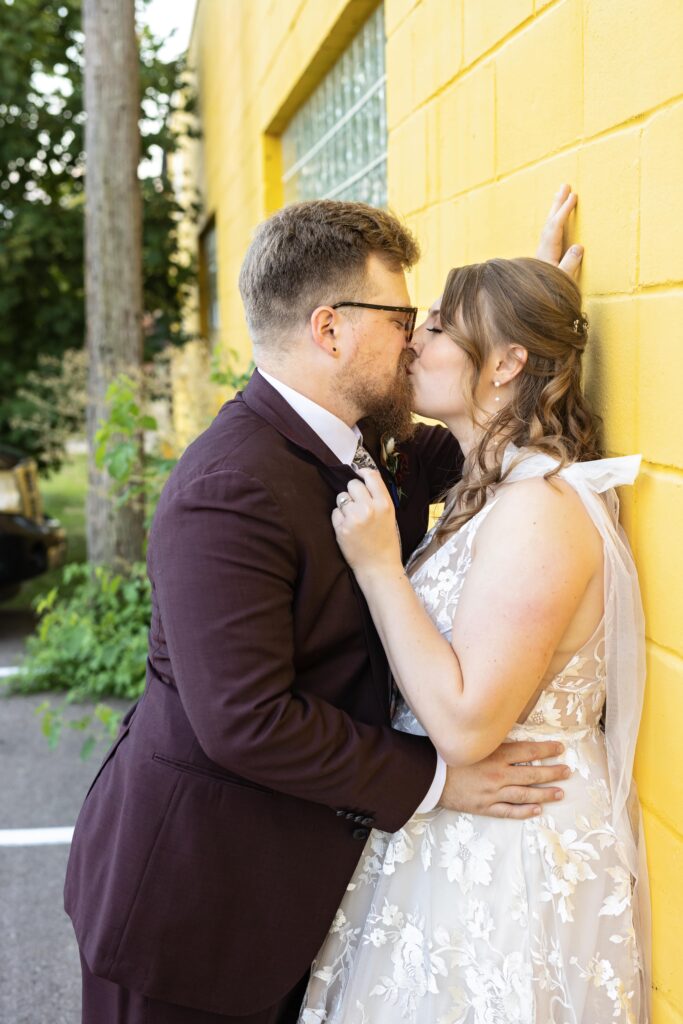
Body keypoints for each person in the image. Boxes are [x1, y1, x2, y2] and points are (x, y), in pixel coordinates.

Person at [65, 192, 582, 1024]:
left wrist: (528, 329)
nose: (414, 339)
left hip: (301, 894)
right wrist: (440, 780)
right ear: (329, 329)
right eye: (402, 316)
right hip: (192, 909)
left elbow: (491, 434)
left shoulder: (376, 442)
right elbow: (246, 718)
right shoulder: (227, 490)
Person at [301, 257, 649, 1023]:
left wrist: (379, 567)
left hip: (512, 849)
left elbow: (464, 724)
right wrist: (528, 295)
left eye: (433, 327)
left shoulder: (539, 510)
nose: (412, 344)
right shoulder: (488, 487)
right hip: (457, 834)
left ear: (507, 362)